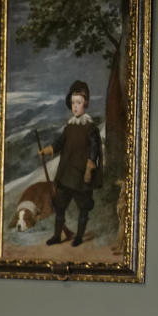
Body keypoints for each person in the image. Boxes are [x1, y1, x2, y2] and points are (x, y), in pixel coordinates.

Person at [39, 80, 103, 247]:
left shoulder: (90, 128)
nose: (75, 106)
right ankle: (57, 236)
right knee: (59, 206)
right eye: (73, 103)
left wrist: (90, 167)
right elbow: (59, 143)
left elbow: (94, 149)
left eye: (79, 103)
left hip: (81, 175)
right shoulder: (69, 127)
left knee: (83, 207)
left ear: (86, 104)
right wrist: (48, 150)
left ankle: (79, 237)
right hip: (66, 173)